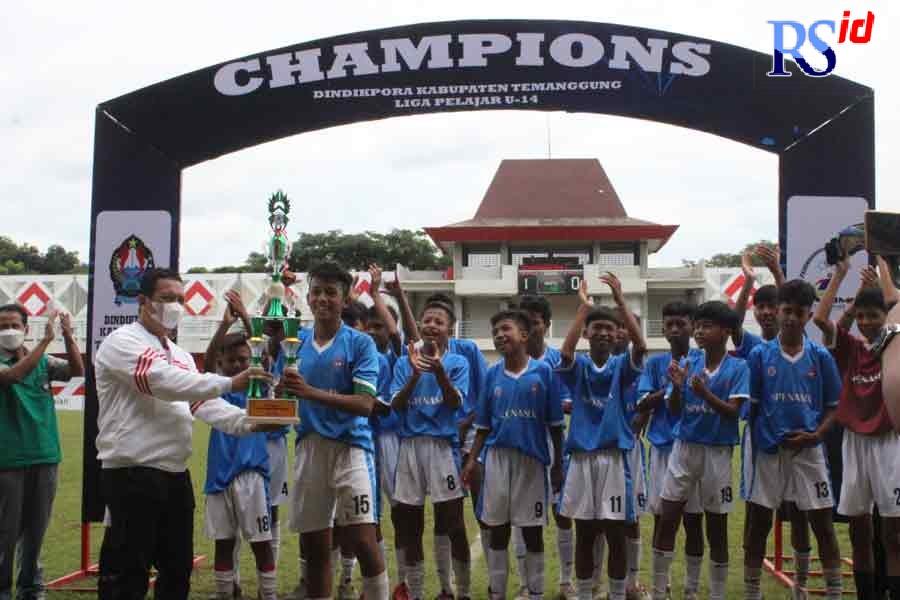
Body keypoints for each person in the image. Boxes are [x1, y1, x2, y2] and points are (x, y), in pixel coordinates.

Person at [93, 268, 273, 600]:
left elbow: (204, 404)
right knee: (129, 573)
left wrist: (253, 422)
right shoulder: (122, 342)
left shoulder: (180, 356)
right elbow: (162, 381)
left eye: (180, 299)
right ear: (143, 300)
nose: (175, 305)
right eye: (166, 298)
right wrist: (230, 382)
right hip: (132, 473)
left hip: (176, 473)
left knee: (177, 571)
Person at [276, 262, 388, 600]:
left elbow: (365, 404)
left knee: (364, 540)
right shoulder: (294, 343)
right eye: (316, 292)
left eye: (331, 292)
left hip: (351, 448)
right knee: (315, 547)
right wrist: (276, 395)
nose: (322, 298)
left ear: (345, 298)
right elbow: (285, 398)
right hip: (309, 447)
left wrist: (309, 392)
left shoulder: (361, 343)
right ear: (308, 296)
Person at [743, 279, 844, 600]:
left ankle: (817, 590)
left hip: (809, 451)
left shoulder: (820, 356)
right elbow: (752, 407)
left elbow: (834, 406)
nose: (790, 318)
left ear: (808, 316)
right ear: (778, 311)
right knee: (759, 524)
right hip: (770, 451)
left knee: (822, 524)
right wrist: (761, 444)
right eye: (786, 310)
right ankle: (752, 593)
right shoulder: (760, 355)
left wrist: (816, 434)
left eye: (799, 313)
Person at [813, 256, 900, 600]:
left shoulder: (894, 345)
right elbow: (821, 320)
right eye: (860, 316)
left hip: (889, 443)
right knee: (859, 531)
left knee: (893, 534)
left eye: (872, 316)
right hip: (855, 443)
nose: (865, 322)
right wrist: (842, 276)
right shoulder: (850, 349)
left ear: (885, 318)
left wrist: (883, 267)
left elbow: (894, 304)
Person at [462, 309, 565, 600]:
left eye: (505, 329)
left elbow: (555, 425)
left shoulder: (544, 372)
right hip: (497, 460)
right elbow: (483, 426)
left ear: (524, 335)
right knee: (498, 530)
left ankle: (535, 593)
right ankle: (498, 593)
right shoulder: (492, 375)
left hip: (532, 462)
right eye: (495, 332)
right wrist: (471, 460)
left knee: (532, 532)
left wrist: (558, 464)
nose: (499, 335)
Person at [650, 301, 748, 600]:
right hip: (684, 448)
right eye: (698, 326)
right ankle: (659, 591)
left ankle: (713, 593)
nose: (699, 331)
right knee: (667, 519)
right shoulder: (689, 361)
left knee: (716, 527)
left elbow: (733, 412)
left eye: (707, 326)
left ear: (726, 331)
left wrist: (704, 393)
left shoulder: (738, 367)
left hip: (717, 452)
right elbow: (674, 409)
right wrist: (678, 388)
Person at [557, 273, 647, 600]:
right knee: (585, 533)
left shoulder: (621, 366)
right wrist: (583, 309)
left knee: (616, 533)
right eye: (597, 328)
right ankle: (584, 594)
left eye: (610, 328)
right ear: (586, 333)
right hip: (582, 459)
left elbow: (641, 346)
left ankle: (618, 594)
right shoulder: (579, 367)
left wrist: (621, 301)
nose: (604, 333)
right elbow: (565, 353)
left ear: (617, 333)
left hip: (613, 459)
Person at [390, 295, 471, 600]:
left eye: (439, 321)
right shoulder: (404, 362)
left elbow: (455, 403)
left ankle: (457, 591)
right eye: (427, 320)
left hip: (442, 448)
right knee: (410, 525)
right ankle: (417, 592)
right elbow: (396, 405)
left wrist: (438, 372)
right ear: (420, 325)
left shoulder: (458, 362)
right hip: (410, 448)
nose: (432, 325)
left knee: (453, 523)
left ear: (450, 328)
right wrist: (414, 376)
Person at [0, 306, 83, 600]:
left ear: (26, 329)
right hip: (8, 459)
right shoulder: (20, 360)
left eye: (14, 325)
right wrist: (46, 341)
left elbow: (77, 371)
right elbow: (11, 377)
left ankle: (31, 587)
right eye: (2, 326)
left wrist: (68, 336)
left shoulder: (44, 361)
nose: (8, 330)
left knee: (36, 529)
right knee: (6, 532)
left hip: (45, 455)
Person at [634, 300, 704, 600]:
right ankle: (661, 586)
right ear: (662, 329)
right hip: (662, 449)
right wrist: (672, 388)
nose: (675, 329)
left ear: (692, 327)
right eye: (669, 325)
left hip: (694, 447)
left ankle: (691, 588)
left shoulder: (702, 359)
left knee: (694, 521)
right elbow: (642, 402)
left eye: (681, 324)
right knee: (662, 519)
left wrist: (682, 386)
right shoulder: (654, 364)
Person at [203, 333, 277, 600]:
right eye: (231, 360)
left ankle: (268, 595)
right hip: (218, 476)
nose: (237, 365)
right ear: (220, 362)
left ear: (252, 360)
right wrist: (223, 326)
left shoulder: (259, 387)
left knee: (261, 543)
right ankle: (225, 593)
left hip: (251, 475)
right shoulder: (216, 388)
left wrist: (251, 332)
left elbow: (266, 358)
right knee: (223, 543)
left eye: (243, 359)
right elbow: (207, 364)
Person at [518, 295, 576, 599]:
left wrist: (553, 404)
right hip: (521, 447)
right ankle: (525, 584)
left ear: (547, 324)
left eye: (535, 322)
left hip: (553, 444)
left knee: (561, 512)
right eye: (524, 322)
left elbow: (571, 402)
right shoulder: (511, 361)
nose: (529, 328)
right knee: (522, 517)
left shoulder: (558, 361)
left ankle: (566, 581)